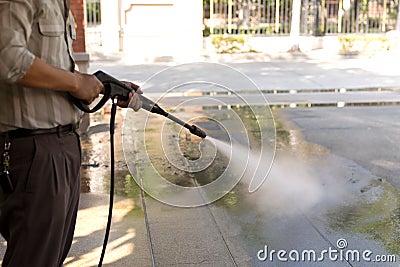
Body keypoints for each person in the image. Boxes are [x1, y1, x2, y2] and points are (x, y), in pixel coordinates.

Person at [0, 1, 142, 266]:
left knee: (49, 257)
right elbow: (6, 57)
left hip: (62, 144)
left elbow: (52, 71)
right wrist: (77, 82)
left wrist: (100, 86)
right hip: (34, 149)